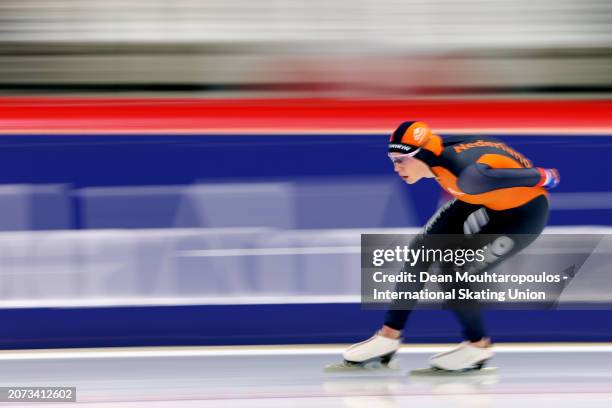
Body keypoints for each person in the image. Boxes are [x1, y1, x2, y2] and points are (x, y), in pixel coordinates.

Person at [342, 121, 560, 372]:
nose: (396, 167)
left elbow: (525, 175)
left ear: (421, 155)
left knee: (455, 271)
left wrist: (546, 176)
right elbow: (477, 139)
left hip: (523, 214)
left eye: (401, 159)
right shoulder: (439, 153)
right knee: (421, 252)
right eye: (392, 159)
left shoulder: (469, 177)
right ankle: (387, 338)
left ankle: (478, 347)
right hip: (480, 198)